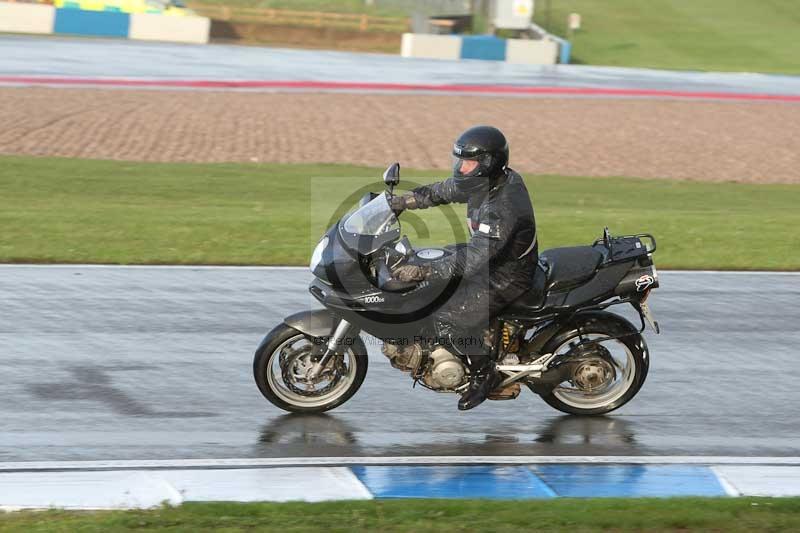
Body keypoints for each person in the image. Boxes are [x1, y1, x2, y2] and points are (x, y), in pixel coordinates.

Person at [390, 126, 538, 410]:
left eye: (468, 162)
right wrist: (401, 202)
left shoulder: (504, 204)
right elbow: (445, 190)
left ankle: (486, 376)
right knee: (427, 261)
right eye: (460, 161)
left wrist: (424, 273)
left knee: (447, 314)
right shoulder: (486, 182)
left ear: (487, 164)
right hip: (491, 258)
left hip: (508, 275)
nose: (462, 167)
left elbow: (475, 259)